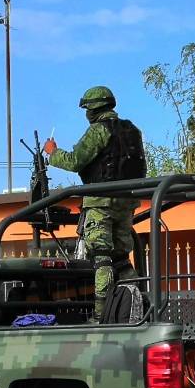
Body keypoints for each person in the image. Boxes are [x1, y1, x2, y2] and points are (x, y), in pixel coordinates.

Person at [43, 85, 147, 319]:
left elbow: (75, 161)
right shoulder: (133, 130)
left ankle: (100, 317)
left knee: (102, 259)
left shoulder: (99, 130)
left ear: (92, 110)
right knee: (122, 259)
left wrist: (52, 152)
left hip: (101, 203)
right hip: (126, 202)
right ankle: (137, 311)